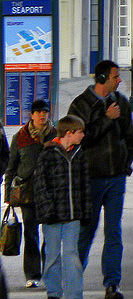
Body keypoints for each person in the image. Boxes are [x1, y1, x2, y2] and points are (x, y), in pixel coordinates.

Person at [68, 59, 133, 299]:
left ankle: (112, 284)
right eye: (115, 77)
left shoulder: (121, 103)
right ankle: (73, 282)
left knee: (114, 232)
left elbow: (131, 138)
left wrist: (124, 165)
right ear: (101, 79)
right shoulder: (81, 105)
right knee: (85, 232)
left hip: (116, 178)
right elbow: (78, 140)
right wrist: (106, 118)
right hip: (90, 178)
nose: (120, 80)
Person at [33, 114, 92, 299]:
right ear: (69, 132)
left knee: (71, 256)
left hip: (73, 216)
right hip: (52, 216)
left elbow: (85, 184)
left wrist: (86, 211)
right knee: (52, 256)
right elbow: (40, 185)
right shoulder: (48, 153)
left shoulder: (79, 153)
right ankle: (54, 293)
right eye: (80, 132)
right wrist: (47, 211)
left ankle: (74, 294)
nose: (83, 135)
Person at [5, 99, 55, 288]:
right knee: (31, 234)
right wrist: (8, 195)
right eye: (38, 112)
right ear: (32, 115)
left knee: (50, 234)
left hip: (50, 192)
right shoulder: (21, 137)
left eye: (45, 112)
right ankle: (32, 274)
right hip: (27, 193)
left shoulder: (54, 134)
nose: (42, 115)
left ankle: (49, 272)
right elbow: (11, 167)